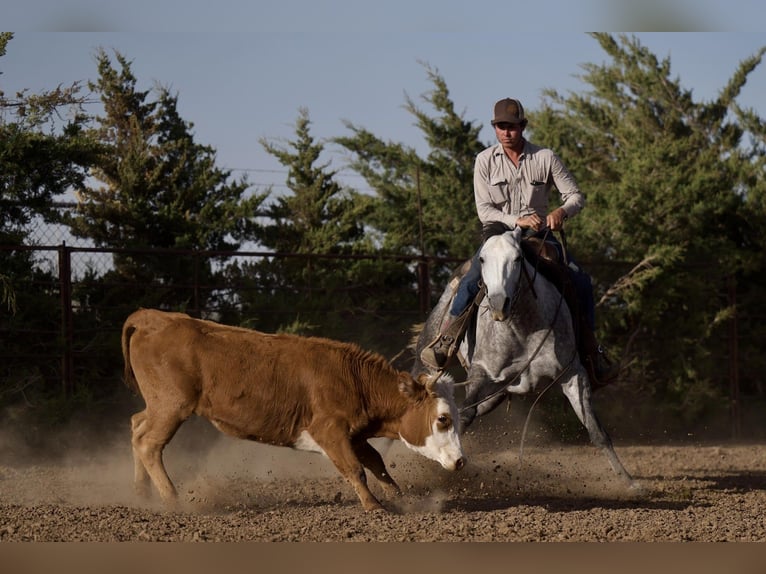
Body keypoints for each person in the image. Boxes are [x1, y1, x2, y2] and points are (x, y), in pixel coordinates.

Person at [421, 97, 616, 386]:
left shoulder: (545, 158)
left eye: (512, 127)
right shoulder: (484, 161)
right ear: (495, 128)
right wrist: (518, 221)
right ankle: (447, 339)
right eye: (501, 127)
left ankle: (591, 351)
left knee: (580, 281)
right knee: (472, 276)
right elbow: (484, 210)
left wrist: (562, 211)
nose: (506, 132)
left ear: (522, 127)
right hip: (498, 233)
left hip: (538, 236)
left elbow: (575, 196)